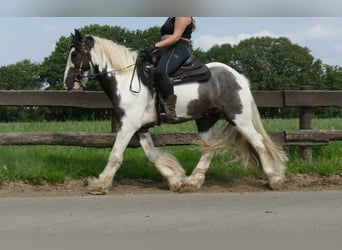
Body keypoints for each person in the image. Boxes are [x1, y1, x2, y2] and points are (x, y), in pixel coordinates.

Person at [145, 17, 196, 121]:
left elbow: (176, 37)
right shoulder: (170, 17)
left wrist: (155, 46)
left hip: (178, 47)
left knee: (161, 71)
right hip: (166, 48)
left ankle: (170, 109)